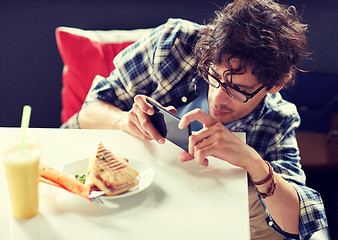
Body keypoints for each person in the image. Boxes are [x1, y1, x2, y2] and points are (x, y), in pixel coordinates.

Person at [63, 0, 328, 239]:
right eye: (214, 76)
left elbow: (298, 225)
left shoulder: (277, 119)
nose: (218, 98)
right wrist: (124, 121)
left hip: (191, 213)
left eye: (239, 90)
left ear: (275, 85)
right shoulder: (174, 43)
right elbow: (89, 111)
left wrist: (253, 162)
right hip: (117, 189)